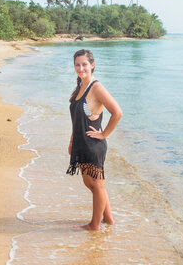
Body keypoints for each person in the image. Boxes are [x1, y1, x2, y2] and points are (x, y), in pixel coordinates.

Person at [67, 49, 122, 231]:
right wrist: (72, 141)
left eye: (84, 64)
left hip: (93, 145)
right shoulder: (81, 86)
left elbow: (117, 113)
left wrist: (104, 134)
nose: (81, 68)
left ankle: (94, 225)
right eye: (77, 64)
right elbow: (77, 119)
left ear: (92, 65)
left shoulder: (96, 87)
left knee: (96, 185)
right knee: (91, 184)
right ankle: (108, 218)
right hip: (82, 143)